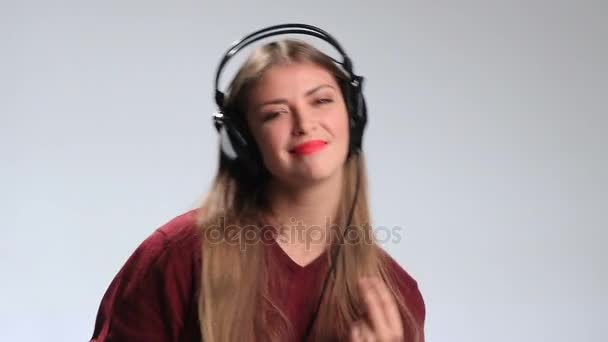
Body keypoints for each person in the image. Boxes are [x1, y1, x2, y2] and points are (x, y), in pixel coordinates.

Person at [90, 24, 425, 342]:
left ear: (354, 116)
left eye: (321, 100)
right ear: (244, 141)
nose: (304, 123)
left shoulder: (396, 296)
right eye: (274, 113)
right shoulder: (177, 256)